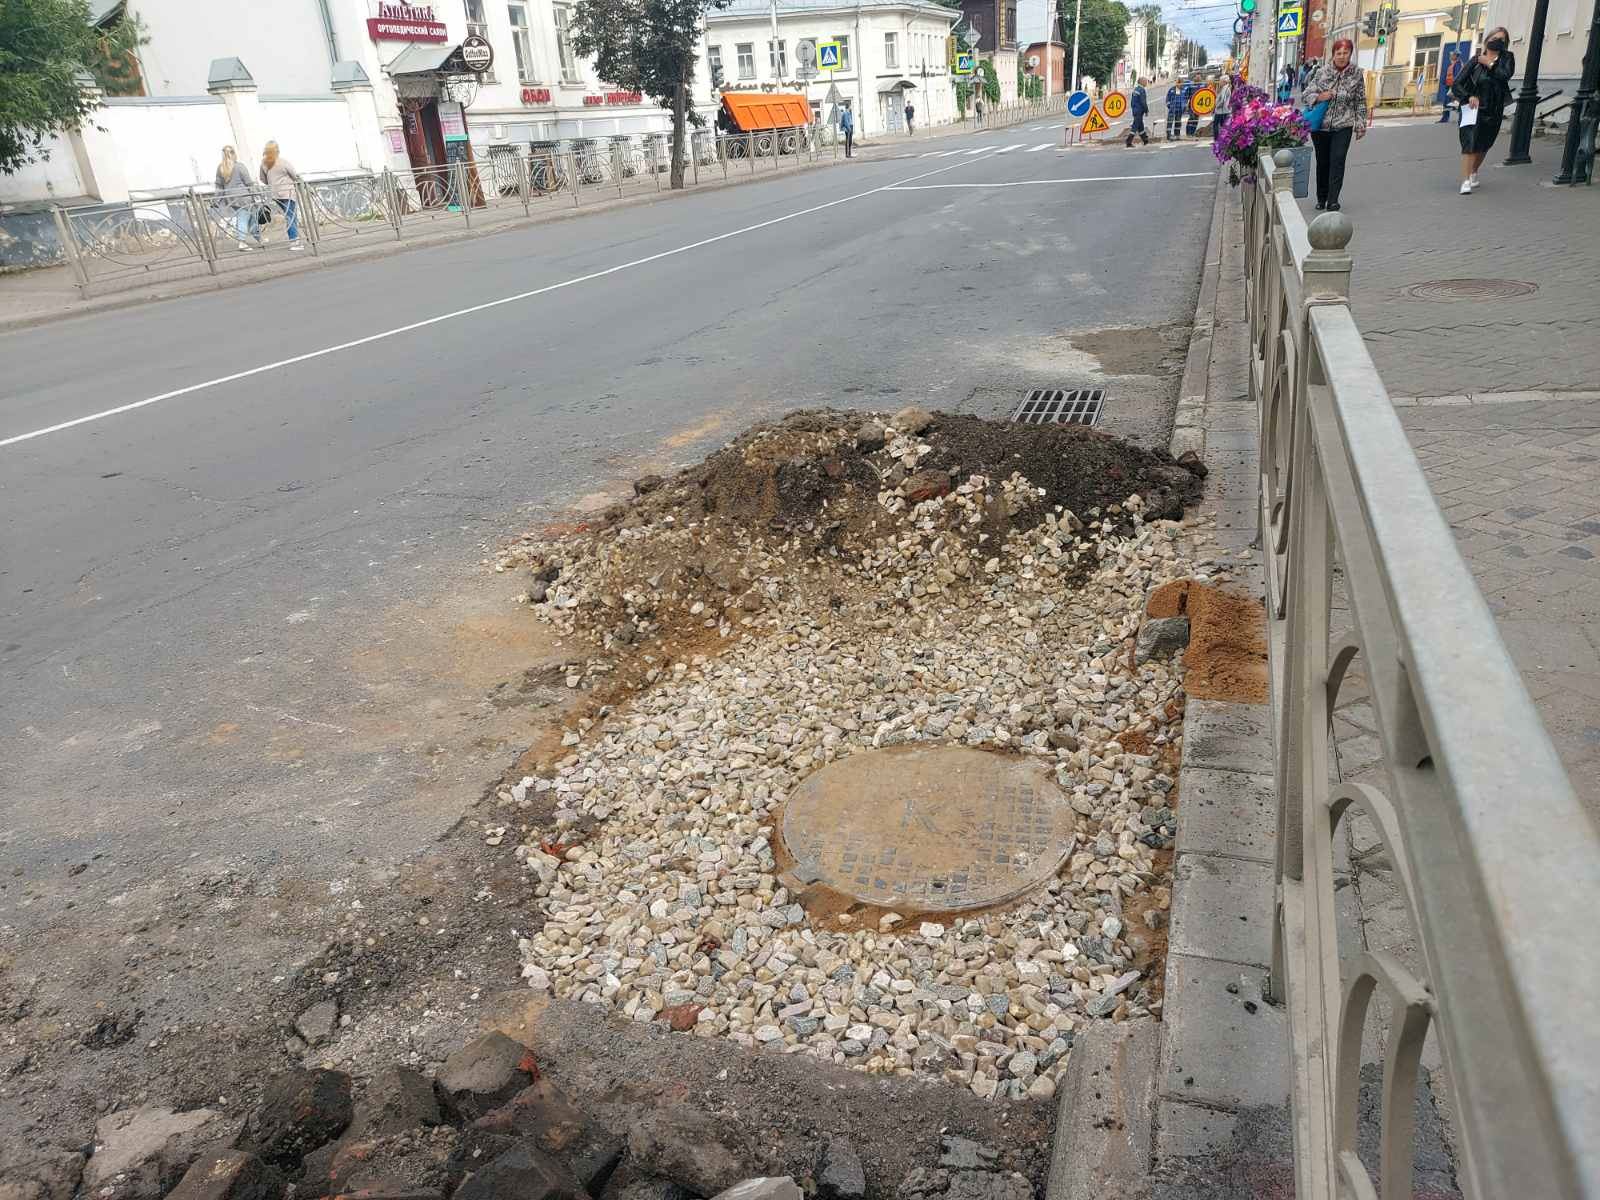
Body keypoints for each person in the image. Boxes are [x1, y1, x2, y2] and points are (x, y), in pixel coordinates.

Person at [1306, 38, 1368, 211]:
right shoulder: (1321, 72)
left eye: (1345, 53)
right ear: (1333, 54)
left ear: (1350, 54)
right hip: (1321, 126)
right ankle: (1322, 197)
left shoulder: (1356, 74)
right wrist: (1319, 97)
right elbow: (1307, 93)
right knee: (1323, 162)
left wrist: (1361, 124)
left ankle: (1333, 200)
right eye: (1338, 53)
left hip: (1344, 125)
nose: (1341, 56)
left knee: (1338, 161)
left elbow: (1360, 100)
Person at [1452, 28, 1515, 193]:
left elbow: (1505, 75)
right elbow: (1457, 83)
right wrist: (1468, 96)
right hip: (1473, 109)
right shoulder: (1475, 61)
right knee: (1470, 143)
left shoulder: (1507, 58)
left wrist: (1490, 64)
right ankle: (1465, 181)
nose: (1497, 41)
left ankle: (1473, 171)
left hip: (1493, 109)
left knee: (1484, 145)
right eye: (1495, 38)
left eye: (1501, 39)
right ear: (1487, 40)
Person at [213, 145, 261, 251]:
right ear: (234, 154)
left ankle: (258, 238)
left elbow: (219, 186)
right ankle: (242, 242)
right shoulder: (239, 166)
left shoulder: (220, 168)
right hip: (244, 197)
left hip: (231, 199)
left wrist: (216, 200)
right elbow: (249, 183)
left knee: (251, 218)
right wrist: (256, 196)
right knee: (243, 218)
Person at [259, 140, 303, 249]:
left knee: (288, 216)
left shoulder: (264, 164)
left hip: (276, 195)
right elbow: (294, 175)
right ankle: (294, 242)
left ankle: (295, 239)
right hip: (287, 193)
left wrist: (273, 183)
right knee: (291, 217)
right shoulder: (282, 162)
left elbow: (262, 179)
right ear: (277, 150)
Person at [1126, 77, 1150, 146]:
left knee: (1140, 126)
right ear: (1142, 82)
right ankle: (1129, 141)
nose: (1146, 83)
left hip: (1135, 110)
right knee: (1135, 126)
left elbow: (1132, 102)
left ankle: (1145, 139)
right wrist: (1146, 110)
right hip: (1139, 110)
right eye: (1145, 81)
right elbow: (1143, 102)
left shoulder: (1135, 90)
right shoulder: (1142, 90)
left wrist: (1134, 109)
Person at [1214, 75, 1233, 139]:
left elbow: (1222, 100)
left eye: (1220, 81)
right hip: (1223, 110)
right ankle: (1223, 138)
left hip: (1221, 111)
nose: (1219, 82)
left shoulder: (1225, 88)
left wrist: (1217, 106)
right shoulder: (1226, 88)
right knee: (1223, 125)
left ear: (1224, 82)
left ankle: (1217, 138)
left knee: (1216, 124)